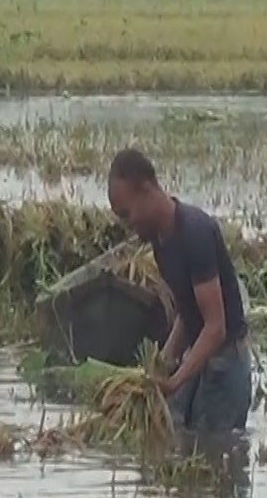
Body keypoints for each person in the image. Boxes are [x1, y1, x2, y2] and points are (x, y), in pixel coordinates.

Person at [106, 149, 252, 433]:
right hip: (199, 358)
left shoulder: (195, 233)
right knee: (178, 435)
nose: (128, 225)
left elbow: (215, 327)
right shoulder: (161, 241)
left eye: (126, 214)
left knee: (212, 450)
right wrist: (164, 360)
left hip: (225, 362)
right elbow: (188, 311)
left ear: (146, 190)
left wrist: (174, 381)